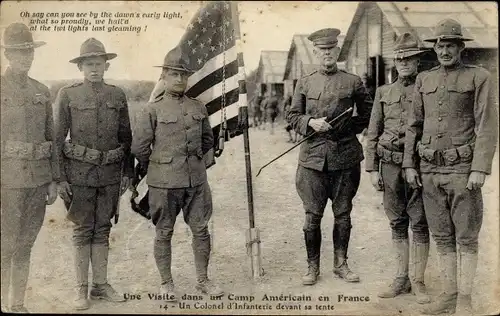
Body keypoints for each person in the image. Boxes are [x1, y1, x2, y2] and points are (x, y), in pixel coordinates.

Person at [403, 19, 498, 315]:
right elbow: (413, 125)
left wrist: (479, 168)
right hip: (429, 169)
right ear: (435, 49)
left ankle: (465, 299)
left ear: (461, 48)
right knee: (441, 235)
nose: (444, 51)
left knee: (466, 236)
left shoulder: (478, 77)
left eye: (450, 45)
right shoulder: (424, 80)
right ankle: (448, 295)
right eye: (440, 46)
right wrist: (409, 163)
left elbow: (487, 125)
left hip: (462, 169)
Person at [131, 47, 223, 301]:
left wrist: (198, 163)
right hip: (164, 183)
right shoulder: (152, 110)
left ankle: (203, 280)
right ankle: (166, 283)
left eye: (183, 75)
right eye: (174, 74)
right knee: (164, 232)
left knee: (201, 230)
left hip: (196, 182)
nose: (180, 80)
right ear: (164, 76)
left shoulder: (198, 107)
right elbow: (139, 147)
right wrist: (160, 165)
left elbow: (207, 141)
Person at [286, 28, 372, 286]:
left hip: (345, 158)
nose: (327, 54)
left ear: (337, 51)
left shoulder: (353, 81)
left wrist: (346, 128)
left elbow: (368, 113)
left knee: (343, 213)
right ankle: (312, 267)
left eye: (331, 49)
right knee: (312, 216)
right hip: (312, 160)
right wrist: (310, 122)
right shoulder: (305, 82)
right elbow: (292, 116)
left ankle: (341, 264)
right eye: (322, 50)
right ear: (315, 52)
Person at [54, 38, 133, 310]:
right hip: (79, 175)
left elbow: (127, 137)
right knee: (82, 229)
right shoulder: (68, 94)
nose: (94, 69)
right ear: (81, 67)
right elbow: (56, 139)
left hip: (110, 175)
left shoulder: (117, 95)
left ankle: (100, 285)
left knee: (103, 228)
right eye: (89, 64)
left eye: (99, 64)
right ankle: (81, 288)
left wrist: (128, 174)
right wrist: (61, 178)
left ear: (106, 65)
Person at [365, 33, 430, 303]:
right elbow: (372, 131)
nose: (403, 63)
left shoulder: (427, 90)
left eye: (409, 58)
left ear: (417, 62)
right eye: (399, 58)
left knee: (420, 222)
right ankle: (400, 278)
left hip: (417, 166)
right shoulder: (383, 92)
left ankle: (419, 281)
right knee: (396, 222)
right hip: (389, 166)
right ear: (395, 61)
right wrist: (371, 168)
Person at [0, 22, 58, 313]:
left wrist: (53, 180)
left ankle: (18, 304)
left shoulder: (42, 91)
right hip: (7, 183)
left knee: (25, 244)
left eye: (29, 52)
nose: (26, 57)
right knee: (5, 244)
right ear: (8, 55)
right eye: (19, 53)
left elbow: (52, 137)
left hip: (38, 182)